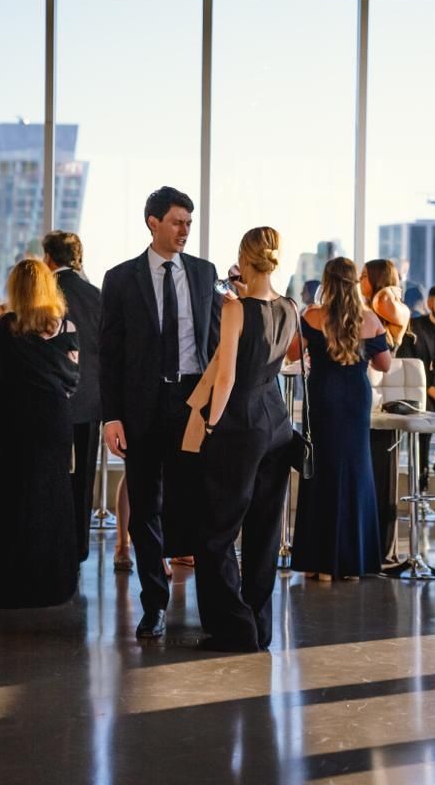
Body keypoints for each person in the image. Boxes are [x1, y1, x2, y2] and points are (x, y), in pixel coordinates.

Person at [100, 186, 221, 640]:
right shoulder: (120, 279)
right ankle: (154, 604)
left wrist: (215, 409)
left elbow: (214, 348)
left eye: (189, 223)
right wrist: (111, 416)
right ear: (153, 222)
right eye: (177, 222)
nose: (185, 230)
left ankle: (211, 605)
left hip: (193, 404)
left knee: (199, 503)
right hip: (141, 408)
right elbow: (109, 353)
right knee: (145, 506)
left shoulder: (206, 274)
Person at [194, 227, 298, 652]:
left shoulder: (236, 309)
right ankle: (259, 625)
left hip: (241, 422)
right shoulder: (291, 306)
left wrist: (211, 425)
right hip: (278, 422)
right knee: (264, 532)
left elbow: (226, 375)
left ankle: (233, 629)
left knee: (216, 531)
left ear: (244, 258)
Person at [289, 257, 391, 581]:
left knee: (319, 470)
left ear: (327, 282)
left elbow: (292, 353)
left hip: (322, 396)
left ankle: (318, 562)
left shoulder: (313, 315)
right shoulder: (371, 318)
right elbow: (384, 365)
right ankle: (352, 564)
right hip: (355, 398)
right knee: (357, 471)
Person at [0, 259, 79, 608]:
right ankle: (54, 584)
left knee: (13, 498)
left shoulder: (2, 326)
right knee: (52, 496)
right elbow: (73, 378)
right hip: (53, 419)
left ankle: (13, 585)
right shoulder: (66, 326)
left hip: (13, 418)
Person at [43, 230, 102, 563]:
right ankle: (79, 546)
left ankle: (53, 543)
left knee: (50, 475)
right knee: (83, 480)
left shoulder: (44, 293)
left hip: (52, 399)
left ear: (49, 258)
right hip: (90, 399)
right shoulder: (97, 295)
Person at [360, 258, 412, 564]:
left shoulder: (382, 299)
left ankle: (375, 547)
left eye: (364, 275)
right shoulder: (387, 298)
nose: (359, 280)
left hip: (375, 378)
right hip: (377, 377)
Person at [398, 284, 435, 493]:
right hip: (423, 395)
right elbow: (407, 363)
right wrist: (431, 389)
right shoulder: (414, 328)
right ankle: (420, 486)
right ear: (430, 303)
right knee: (423, 421)